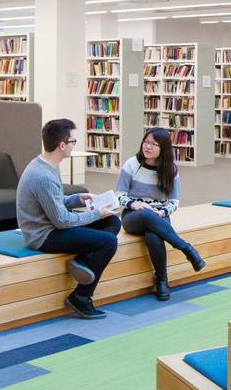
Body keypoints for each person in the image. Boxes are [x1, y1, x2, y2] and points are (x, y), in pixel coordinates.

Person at [17, 119, 121, 319]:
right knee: (109, 242)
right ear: (62, 145)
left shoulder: (48, 164)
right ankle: (81, 297)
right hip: (44, 235)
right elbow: (61, 221)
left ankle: (83, 261)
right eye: (73, 141)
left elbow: (52, 202)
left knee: (113, 222)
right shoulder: (43, 175)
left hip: (51, 224)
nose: (75, 145)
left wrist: (76, 199)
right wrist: (95, 214)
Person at [117, 128, 206, 301]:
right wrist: (133, 204)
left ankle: (162, 280)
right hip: (133, 215)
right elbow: (119, 194)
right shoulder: (131, 164)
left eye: (153, 144)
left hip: (159, 216)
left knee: (153, 237)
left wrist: (163, 211)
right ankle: (186, 248)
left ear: (163, 148)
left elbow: (174, 202)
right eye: (146, 142)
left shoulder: (170, 169)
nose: (147, 147)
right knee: (147, 215)